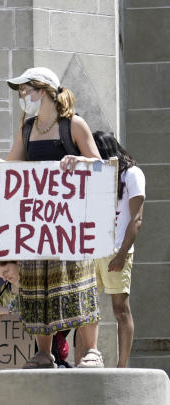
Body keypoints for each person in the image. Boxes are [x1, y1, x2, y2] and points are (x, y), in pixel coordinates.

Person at [0, 67, 104, 368]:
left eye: (25, 90)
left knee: (80, 281)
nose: (23, 97)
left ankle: (92, 349)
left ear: (42, 90)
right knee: (36, 287)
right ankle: (44, 352)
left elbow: (100, 166)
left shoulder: (74, 125)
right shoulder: (27, 129)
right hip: (38, 225)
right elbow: (12, 170)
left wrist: (78, 160)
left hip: (70, 222)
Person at [91, 131, 145, 368]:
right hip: (90, 250)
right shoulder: (94, 172)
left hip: (116, 250)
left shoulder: (132, 174)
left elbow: (137, 219)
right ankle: (87, 360)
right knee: (86, 311)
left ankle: (122, 366)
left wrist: (122, 253)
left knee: (120, 309)